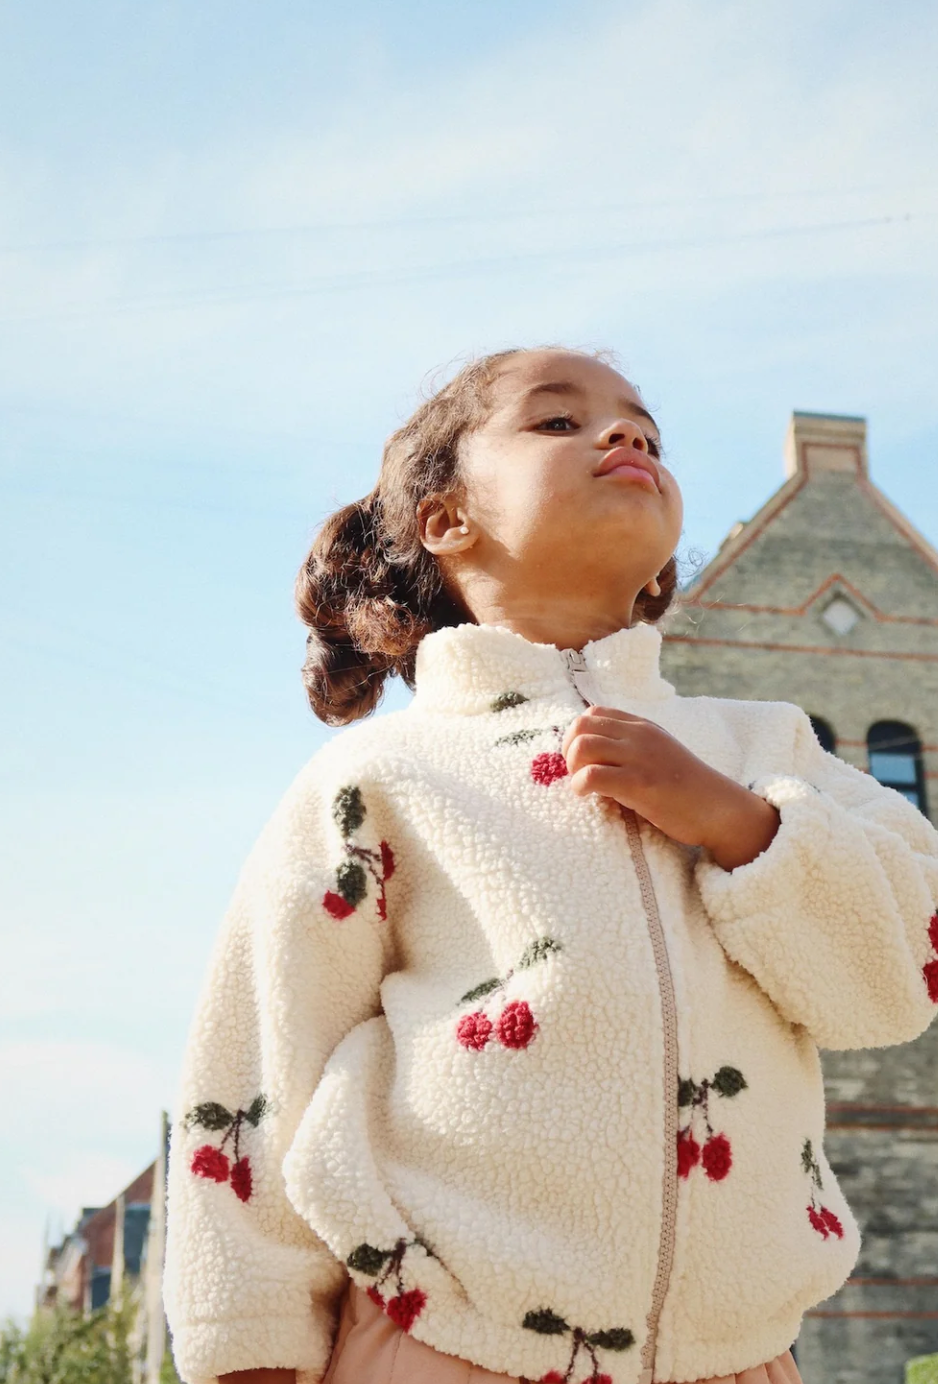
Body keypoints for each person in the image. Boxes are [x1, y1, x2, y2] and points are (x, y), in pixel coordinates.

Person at [162, 347, 938, 1384]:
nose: (625, 436)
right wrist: (247, 1351)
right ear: (446, 520)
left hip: (736, 1357)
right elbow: (258, 1067)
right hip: (440, 1339)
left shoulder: (765, 746)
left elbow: (900, 974)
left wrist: (738, 824)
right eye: (557, 421)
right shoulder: (378, 775)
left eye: (646, 430)